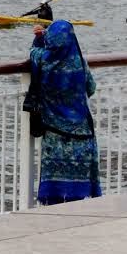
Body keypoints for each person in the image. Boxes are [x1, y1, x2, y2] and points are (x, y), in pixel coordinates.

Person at [27, 21, 101, 205]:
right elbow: (91, 88)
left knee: (55, 191)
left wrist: (39, 38)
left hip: (55, 134)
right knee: (79, 195)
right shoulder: (80, 61)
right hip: (82, 134)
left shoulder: (44, 60)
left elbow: (33, 52)